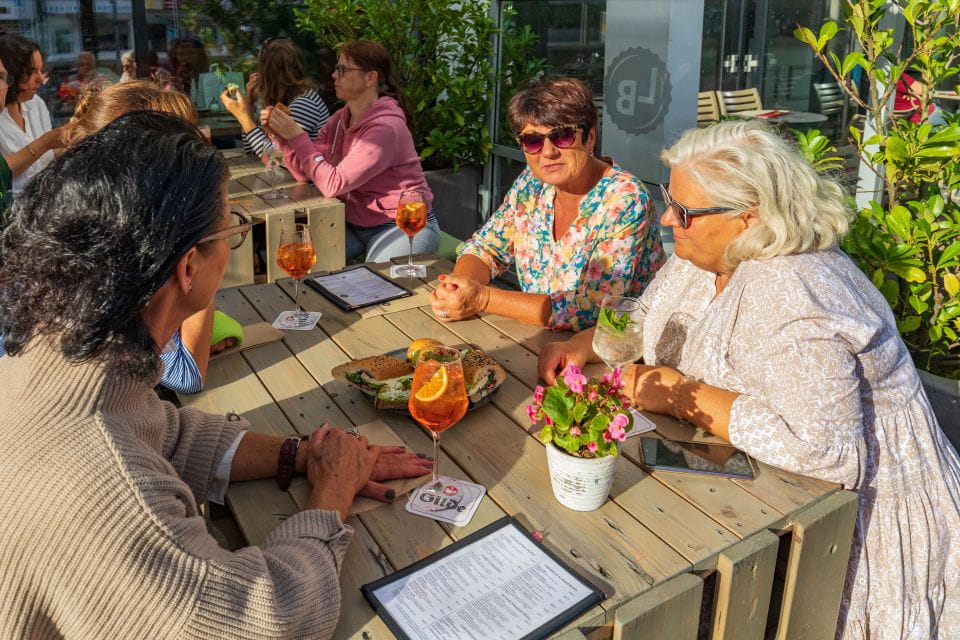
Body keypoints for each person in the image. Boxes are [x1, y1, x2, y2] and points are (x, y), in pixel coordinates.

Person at [0, 111, 432, 639]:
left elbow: (163, 429)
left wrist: (298, 454)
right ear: (187, 268)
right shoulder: (112, 489)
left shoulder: (56, 359)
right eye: (229, 228)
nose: (232, 243)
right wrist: (332, 494)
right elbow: (265, 620)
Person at [539, 120, 960, 638]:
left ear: (749, 217)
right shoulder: (703, 257)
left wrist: (676, 396)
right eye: (669, 198)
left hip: (849, 528)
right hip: (746, 496)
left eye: (686, 211)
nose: (669, 218)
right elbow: (642, 318)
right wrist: (578, 348)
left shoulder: (796, 289)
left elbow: (826, 449)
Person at [431, 77, 664, 332]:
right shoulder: (532, 184)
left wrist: (482, 298)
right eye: (533, 140)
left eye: (563, 136)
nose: (548, 152)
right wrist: (458, 288)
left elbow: (589, 313)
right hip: (539, 338)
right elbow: (487, 248)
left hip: (610, 351)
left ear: (590, 138)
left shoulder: (625, 199)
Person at [60, 80, 236, 394]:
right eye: (180, 144)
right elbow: (186, 374)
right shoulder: (114, 251)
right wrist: (205, 248)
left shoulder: (76, 220)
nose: (192, 153)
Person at [263, 40, 439, 262]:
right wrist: (283, 136)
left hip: (403, 225)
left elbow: (332, 184)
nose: (334, 76)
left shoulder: (384, 129)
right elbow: (304, 173)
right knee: (296, 258)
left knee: (374, 282)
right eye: (336, 69)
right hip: (355, 224)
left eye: (343, 70)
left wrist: (297, 135)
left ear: (370, 77)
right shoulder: (340, 119)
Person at [220, 37, 329, 157]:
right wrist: (249, 103)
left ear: (268, 75)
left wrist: (242, 115)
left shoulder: (304, 104)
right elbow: (251, 150)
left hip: (305, 175)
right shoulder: (287, 100)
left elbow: (275, 157)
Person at [0, 35, 67, 195]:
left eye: (40, 70)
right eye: (31, 71)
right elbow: (3, 171)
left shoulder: (36, 103)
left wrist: (77, 142)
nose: (40, 78)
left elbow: (44, 157)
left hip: (45, 201)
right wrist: (45, 142)